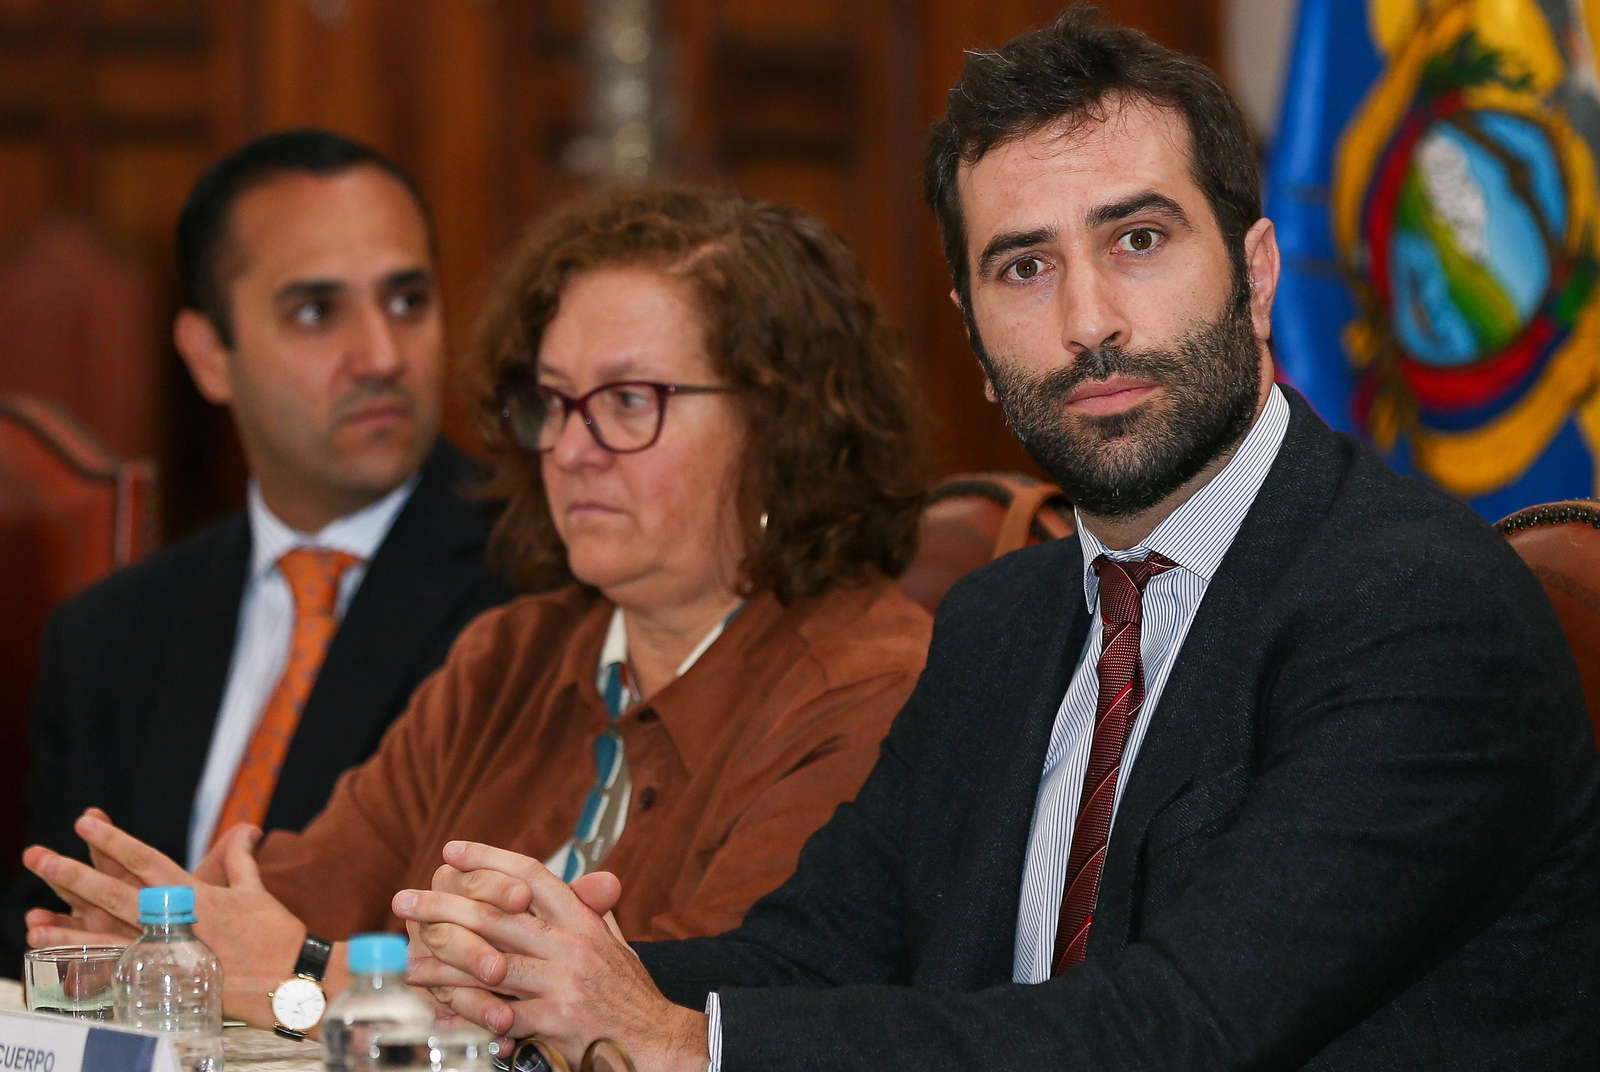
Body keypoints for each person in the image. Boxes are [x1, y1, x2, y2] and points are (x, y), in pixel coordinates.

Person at [386, 10, 1600, 1071]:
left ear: (1258, 273)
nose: (1088, 320)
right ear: (972, 339)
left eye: (1137, 240)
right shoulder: (1001, 619)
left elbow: (1179, 1032)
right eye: (1025, 267)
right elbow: (810, 958)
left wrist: (678, 1044)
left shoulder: (1418, 607)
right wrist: (546, 972)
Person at [19, 186, 935, 1041]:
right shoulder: (514, 652)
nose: (570, 449)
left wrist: (300, 979)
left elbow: (698, 1012)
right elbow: (298, 893)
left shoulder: (871, 687)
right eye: (553, 401)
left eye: (627, 402)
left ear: (784, 426)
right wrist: (161, 929)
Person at [0, 129, 517, 971]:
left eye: (407, 301)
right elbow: (45, 932)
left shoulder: (536, 585)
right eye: (317, 312)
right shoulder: (107, 635)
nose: (382, 356)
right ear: (209, 356)